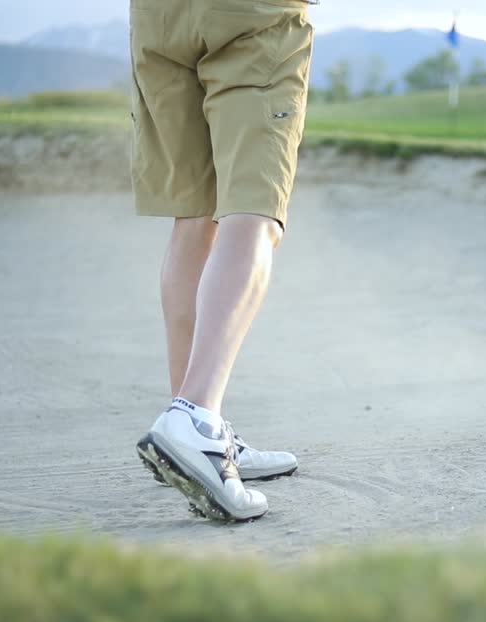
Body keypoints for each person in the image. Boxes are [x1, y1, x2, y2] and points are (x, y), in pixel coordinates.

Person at [130, 0, 316, 522]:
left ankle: (187, 422)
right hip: (250, 12)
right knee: (253, 213)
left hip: (157, 16)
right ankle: (198, 424)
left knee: (196, 217)